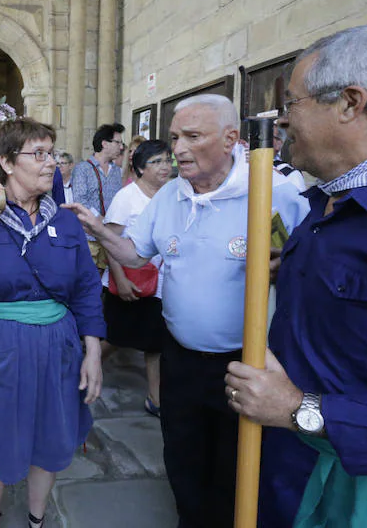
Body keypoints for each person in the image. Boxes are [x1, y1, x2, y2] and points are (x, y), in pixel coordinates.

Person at [65, 94, 310, 528]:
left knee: (237, 465)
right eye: (175, 137)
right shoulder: (170, 196)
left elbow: (308, 265)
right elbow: (136, 255)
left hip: (245, 362)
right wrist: (99, 229)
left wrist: (288, 264)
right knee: (182, 455)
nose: (177, 149)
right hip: (179, 357)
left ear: (232, 139)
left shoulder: (274, 191)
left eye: (192, 137)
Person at [225, 21, 367, 528]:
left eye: (292, 104)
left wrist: (303, 410)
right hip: (286, 468)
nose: (280, 123)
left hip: (363, 493)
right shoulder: (330, 197)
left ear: (350, 102)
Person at [0, 118, 105, 528]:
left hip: (56, 345)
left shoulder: (65, 220)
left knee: (50, 436)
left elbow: (87, 287)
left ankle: (36, 518)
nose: (51, 162)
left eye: (52, 152)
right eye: (39, 153)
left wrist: (93, 350)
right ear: (7, 162)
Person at [102, 140, 172, 417]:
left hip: (160, 283)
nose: (165, 167)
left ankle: (155, 398)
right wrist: (120, 279)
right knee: (115, 337)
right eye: (157, 162)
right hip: (130, 279)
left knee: (155, 342)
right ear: (140, 168)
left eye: (168, 160)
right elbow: (109, 240)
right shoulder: (127, 198)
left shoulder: (170, 194)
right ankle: (82, 365)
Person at [70, 122, 125, 272]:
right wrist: (99, 219)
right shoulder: (83, 169)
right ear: (105, 144)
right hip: (90, 238)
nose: (121, 147)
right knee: (88, 277)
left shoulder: (116, 171)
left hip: (110, 238)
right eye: (118, 142)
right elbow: (80, 200)